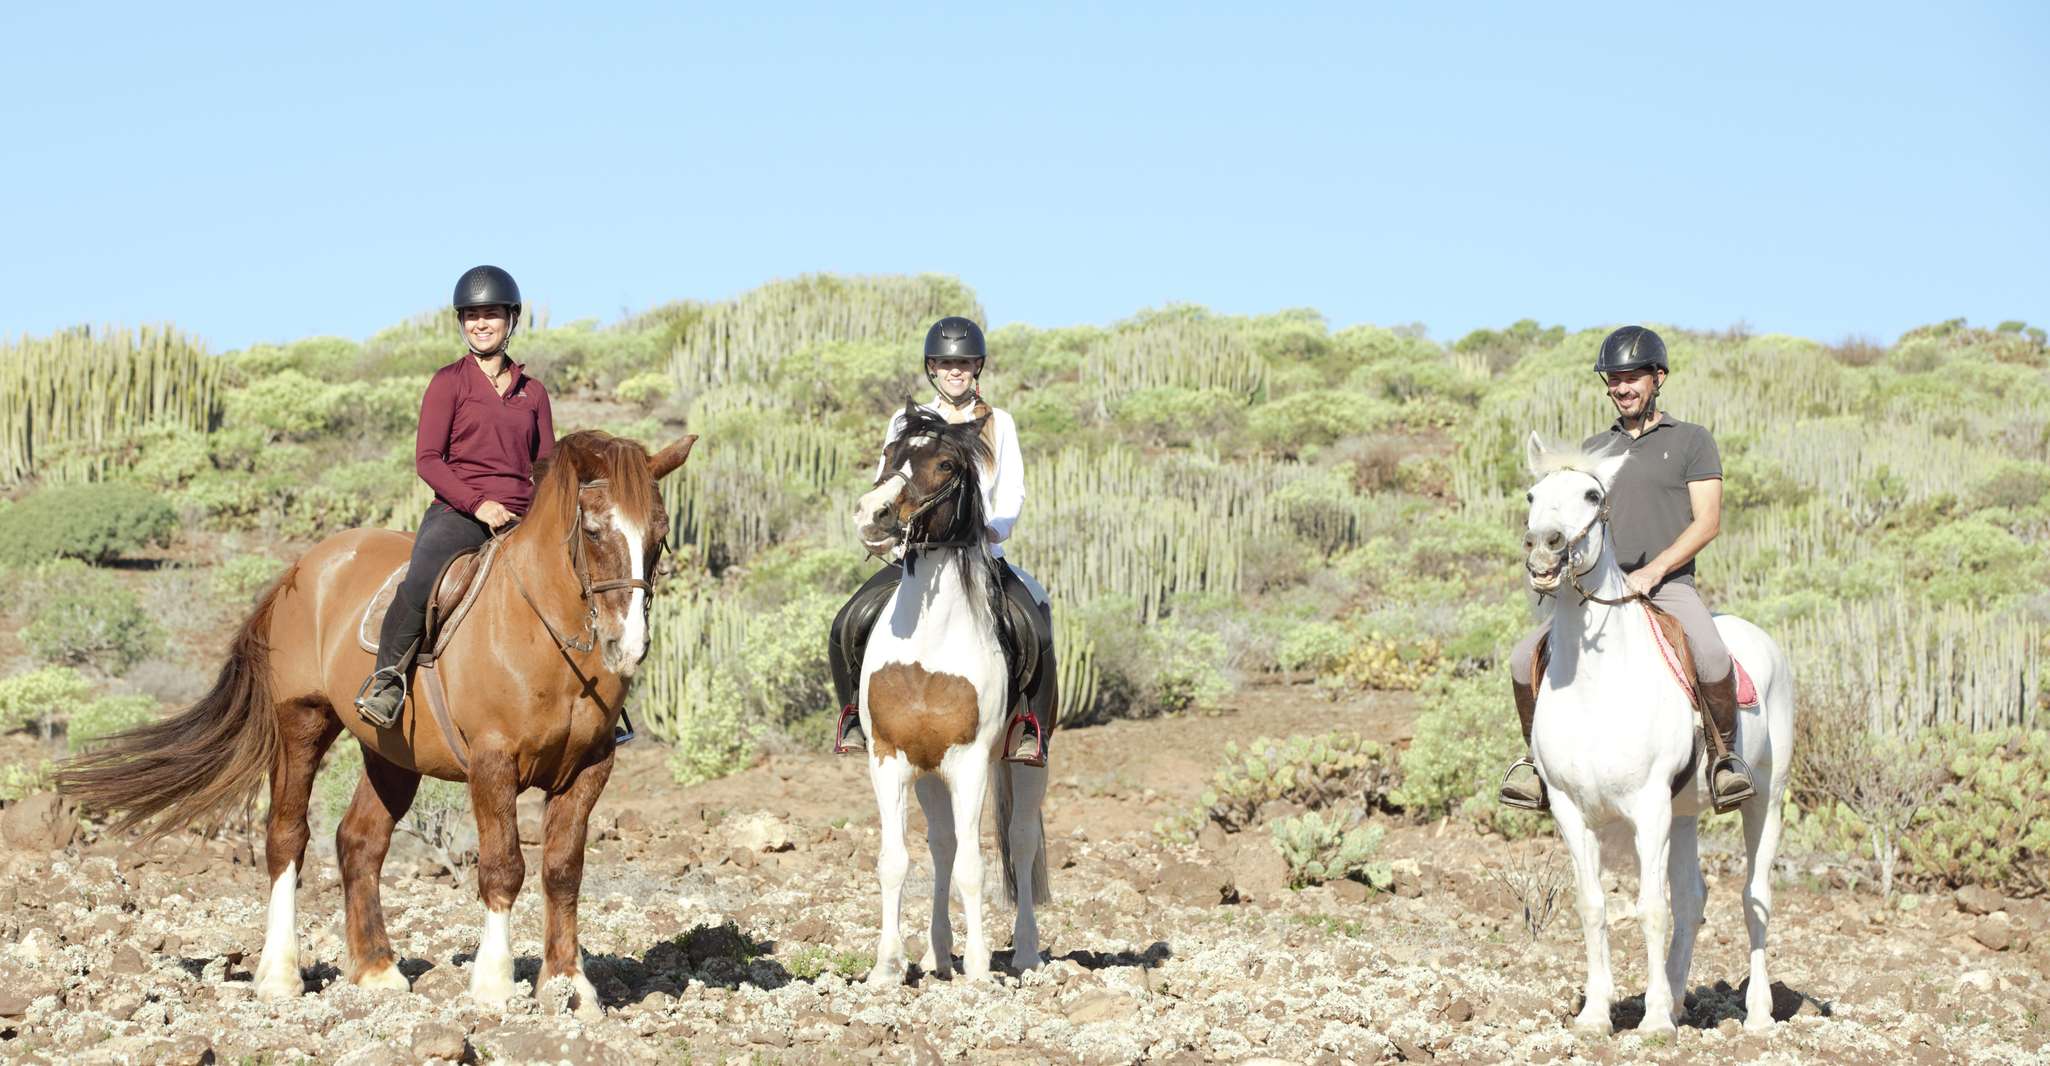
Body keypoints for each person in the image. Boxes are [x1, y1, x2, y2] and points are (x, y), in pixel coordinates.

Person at [1499, 325, 1756, 812]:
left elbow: (1708, 522)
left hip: (1667, 585)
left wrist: (1654, 571)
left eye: (1632, 377)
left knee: (1710, 654)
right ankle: (1536, 767)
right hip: (1598, 591)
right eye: (1614, 379)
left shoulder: (1691, 441)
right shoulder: (1595, 449)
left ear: (1658, 378)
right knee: (1521, 658)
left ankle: (1725, 761)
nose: (1622, 387)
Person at [826, 316, 1057, 766]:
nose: (956, 371)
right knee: (846, 622)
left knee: (1034, 627)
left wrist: (995, 528)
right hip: (915, 554)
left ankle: (1033, 727)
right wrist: (886, 531)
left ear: (977, 367)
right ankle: (852, 714)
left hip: (979, 555)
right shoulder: (907, 420)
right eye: (947, 363)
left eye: (964, 363)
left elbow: (1012, 488)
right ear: (932, 367)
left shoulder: (998, 422)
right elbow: (887, 480)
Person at [355, 266, 566, 730]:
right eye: (471, 316)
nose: (480, 324)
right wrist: (479, 504)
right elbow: (428, 460)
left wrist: (543, 515)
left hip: (522, 517)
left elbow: (546, 466)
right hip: (460, 512)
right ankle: (387, 680)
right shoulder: (448, 382)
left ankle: (592, 696)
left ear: (511, 319)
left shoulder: (533, 393)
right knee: (422, 578)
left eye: (491, 314)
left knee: (576, 579)